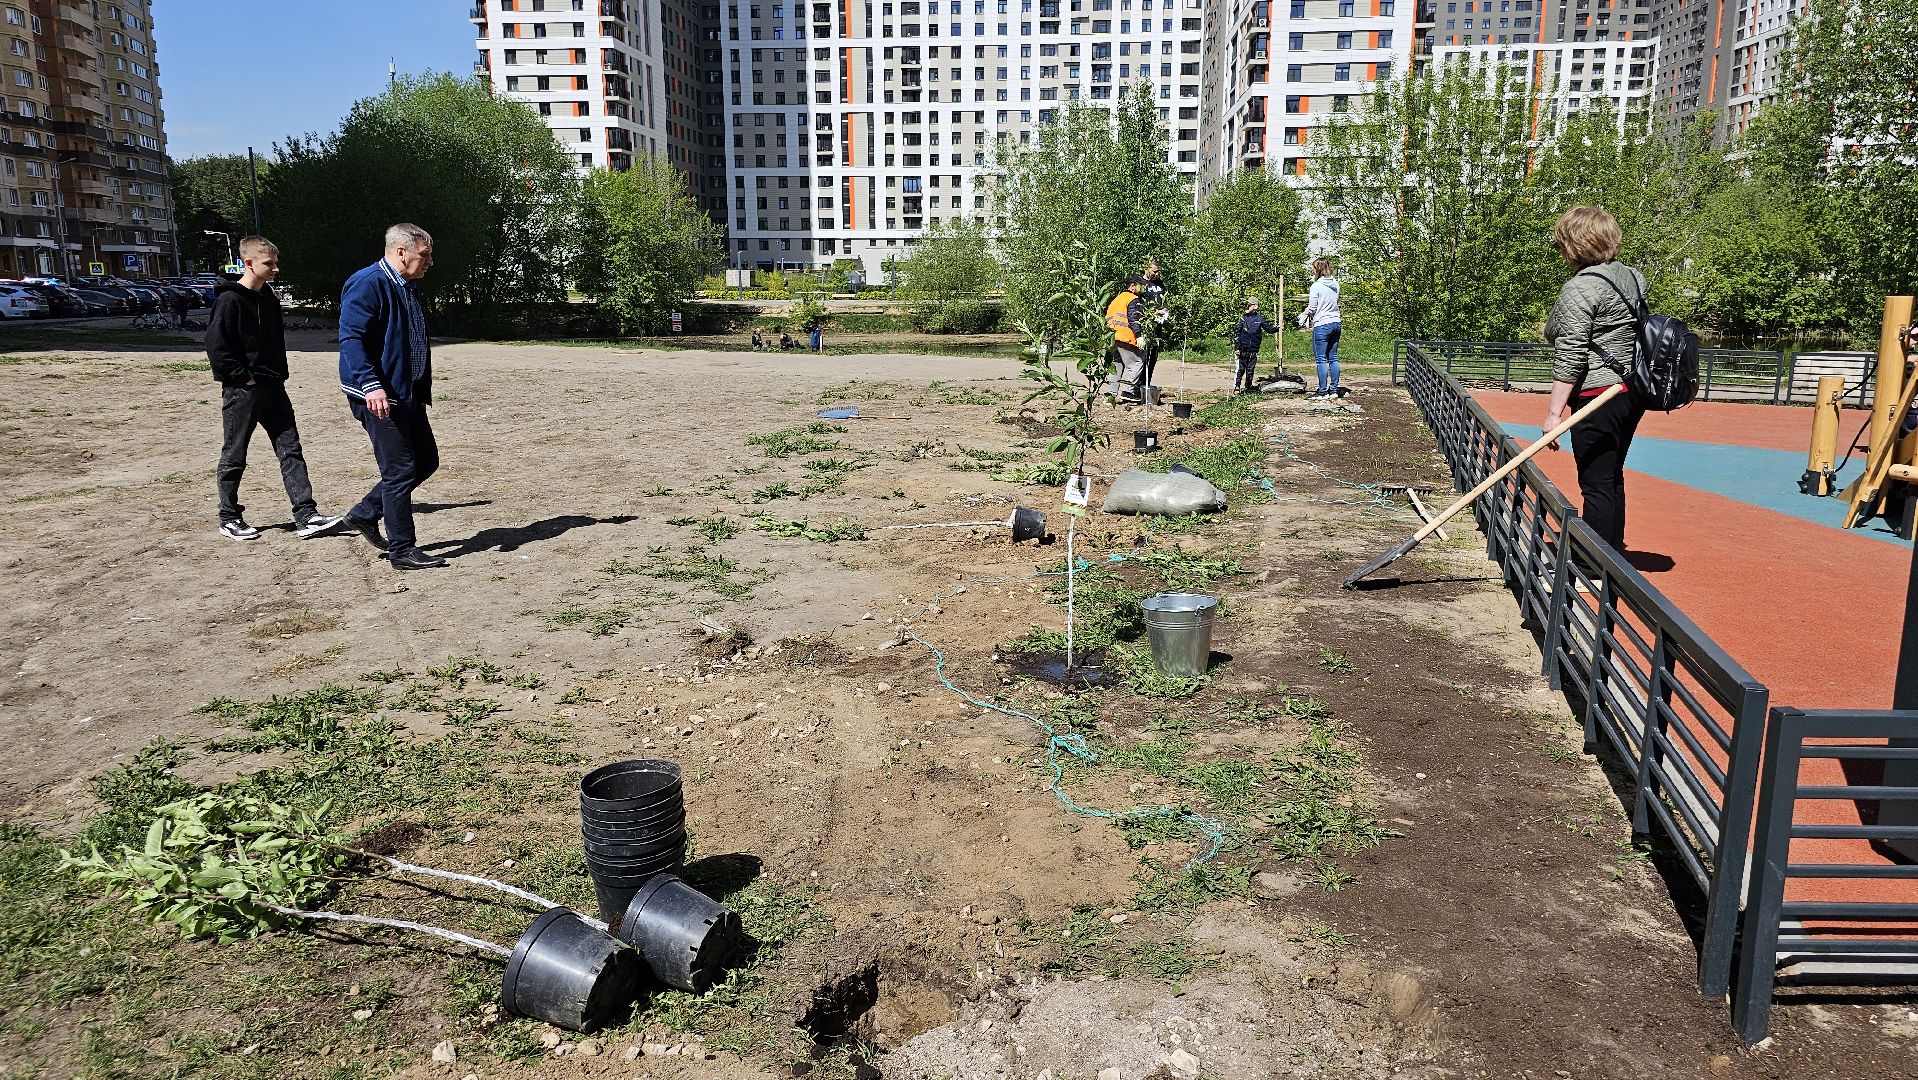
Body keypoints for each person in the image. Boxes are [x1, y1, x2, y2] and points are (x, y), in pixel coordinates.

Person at [205, 236, 345, 543]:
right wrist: (244, 377)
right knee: (235, 454)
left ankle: (306, 515)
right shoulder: (229, 300)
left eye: (276, 263)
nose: (275, 268)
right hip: (243, 392)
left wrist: (278, 374)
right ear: (249, 263)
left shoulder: (268, 297)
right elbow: (217, 347)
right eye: (269, 263)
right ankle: (229, 517)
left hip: (274, 387)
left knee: (290, 449)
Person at [338, 224, 446, 571]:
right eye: (425, 255)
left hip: (406, 391)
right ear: (402, 252)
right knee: (399, 470)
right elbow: (351, 339)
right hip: (378, 395)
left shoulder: (406, 287)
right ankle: (402, 549)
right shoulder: (368, 283)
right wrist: (371, 385)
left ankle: (365, 513)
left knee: (426, 460)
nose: (430, 261)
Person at [1543, 205, 1648, 554]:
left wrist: (1554, 414)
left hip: (1598, 394)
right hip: (1629, 390)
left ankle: (1594, 562)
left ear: (1574, 244)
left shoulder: (1582, 287)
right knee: (1611, 476)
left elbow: (1570, 354)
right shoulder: (1631, 276)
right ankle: (1611, 555)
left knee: (1596, 482)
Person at [1298, 257, 1342, 399]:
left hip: (1322, 324)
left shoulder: (1316, 286)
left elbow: (1312, 308)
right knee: (1333, 358)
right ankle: (1333, 390)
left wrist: (1303, 314)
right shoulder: (1335, 284)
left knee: (1321, 359)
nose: (1312, 271)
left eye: (1313, 268)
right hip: (1336, 322)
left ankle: (1322, 392)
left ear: (1318, 269)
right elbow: (1335, 301)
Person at [1104, 277, 1149, 402]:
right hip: (1124, 336)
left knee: (1116, 365)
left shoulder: (1117, 299)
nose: (1143, 289)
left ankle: (1110, 395)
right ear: (1132, 286)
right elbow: (1133, 318)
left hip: (1111, 337)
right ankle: (1128, 392)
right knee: (1137, 362)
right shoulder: (1132, 299)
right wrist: (1139, 335)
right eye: (1141, 286)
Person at [1234, 298, 1279, 394]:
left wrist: (1277, 328)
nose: (1247, 307)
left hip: (1253, 349)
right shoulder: (1243, 318)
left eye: (1249, 305)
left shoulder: (1260, 319)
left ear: (1255, 306)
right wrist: (1237, 348)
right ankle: (1237, 386)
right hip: (1243, 349)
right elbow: (1237, 333)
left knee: (1250, 370)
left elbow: (1269, 329)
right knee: (1241, 369)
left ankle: (1248, 387)